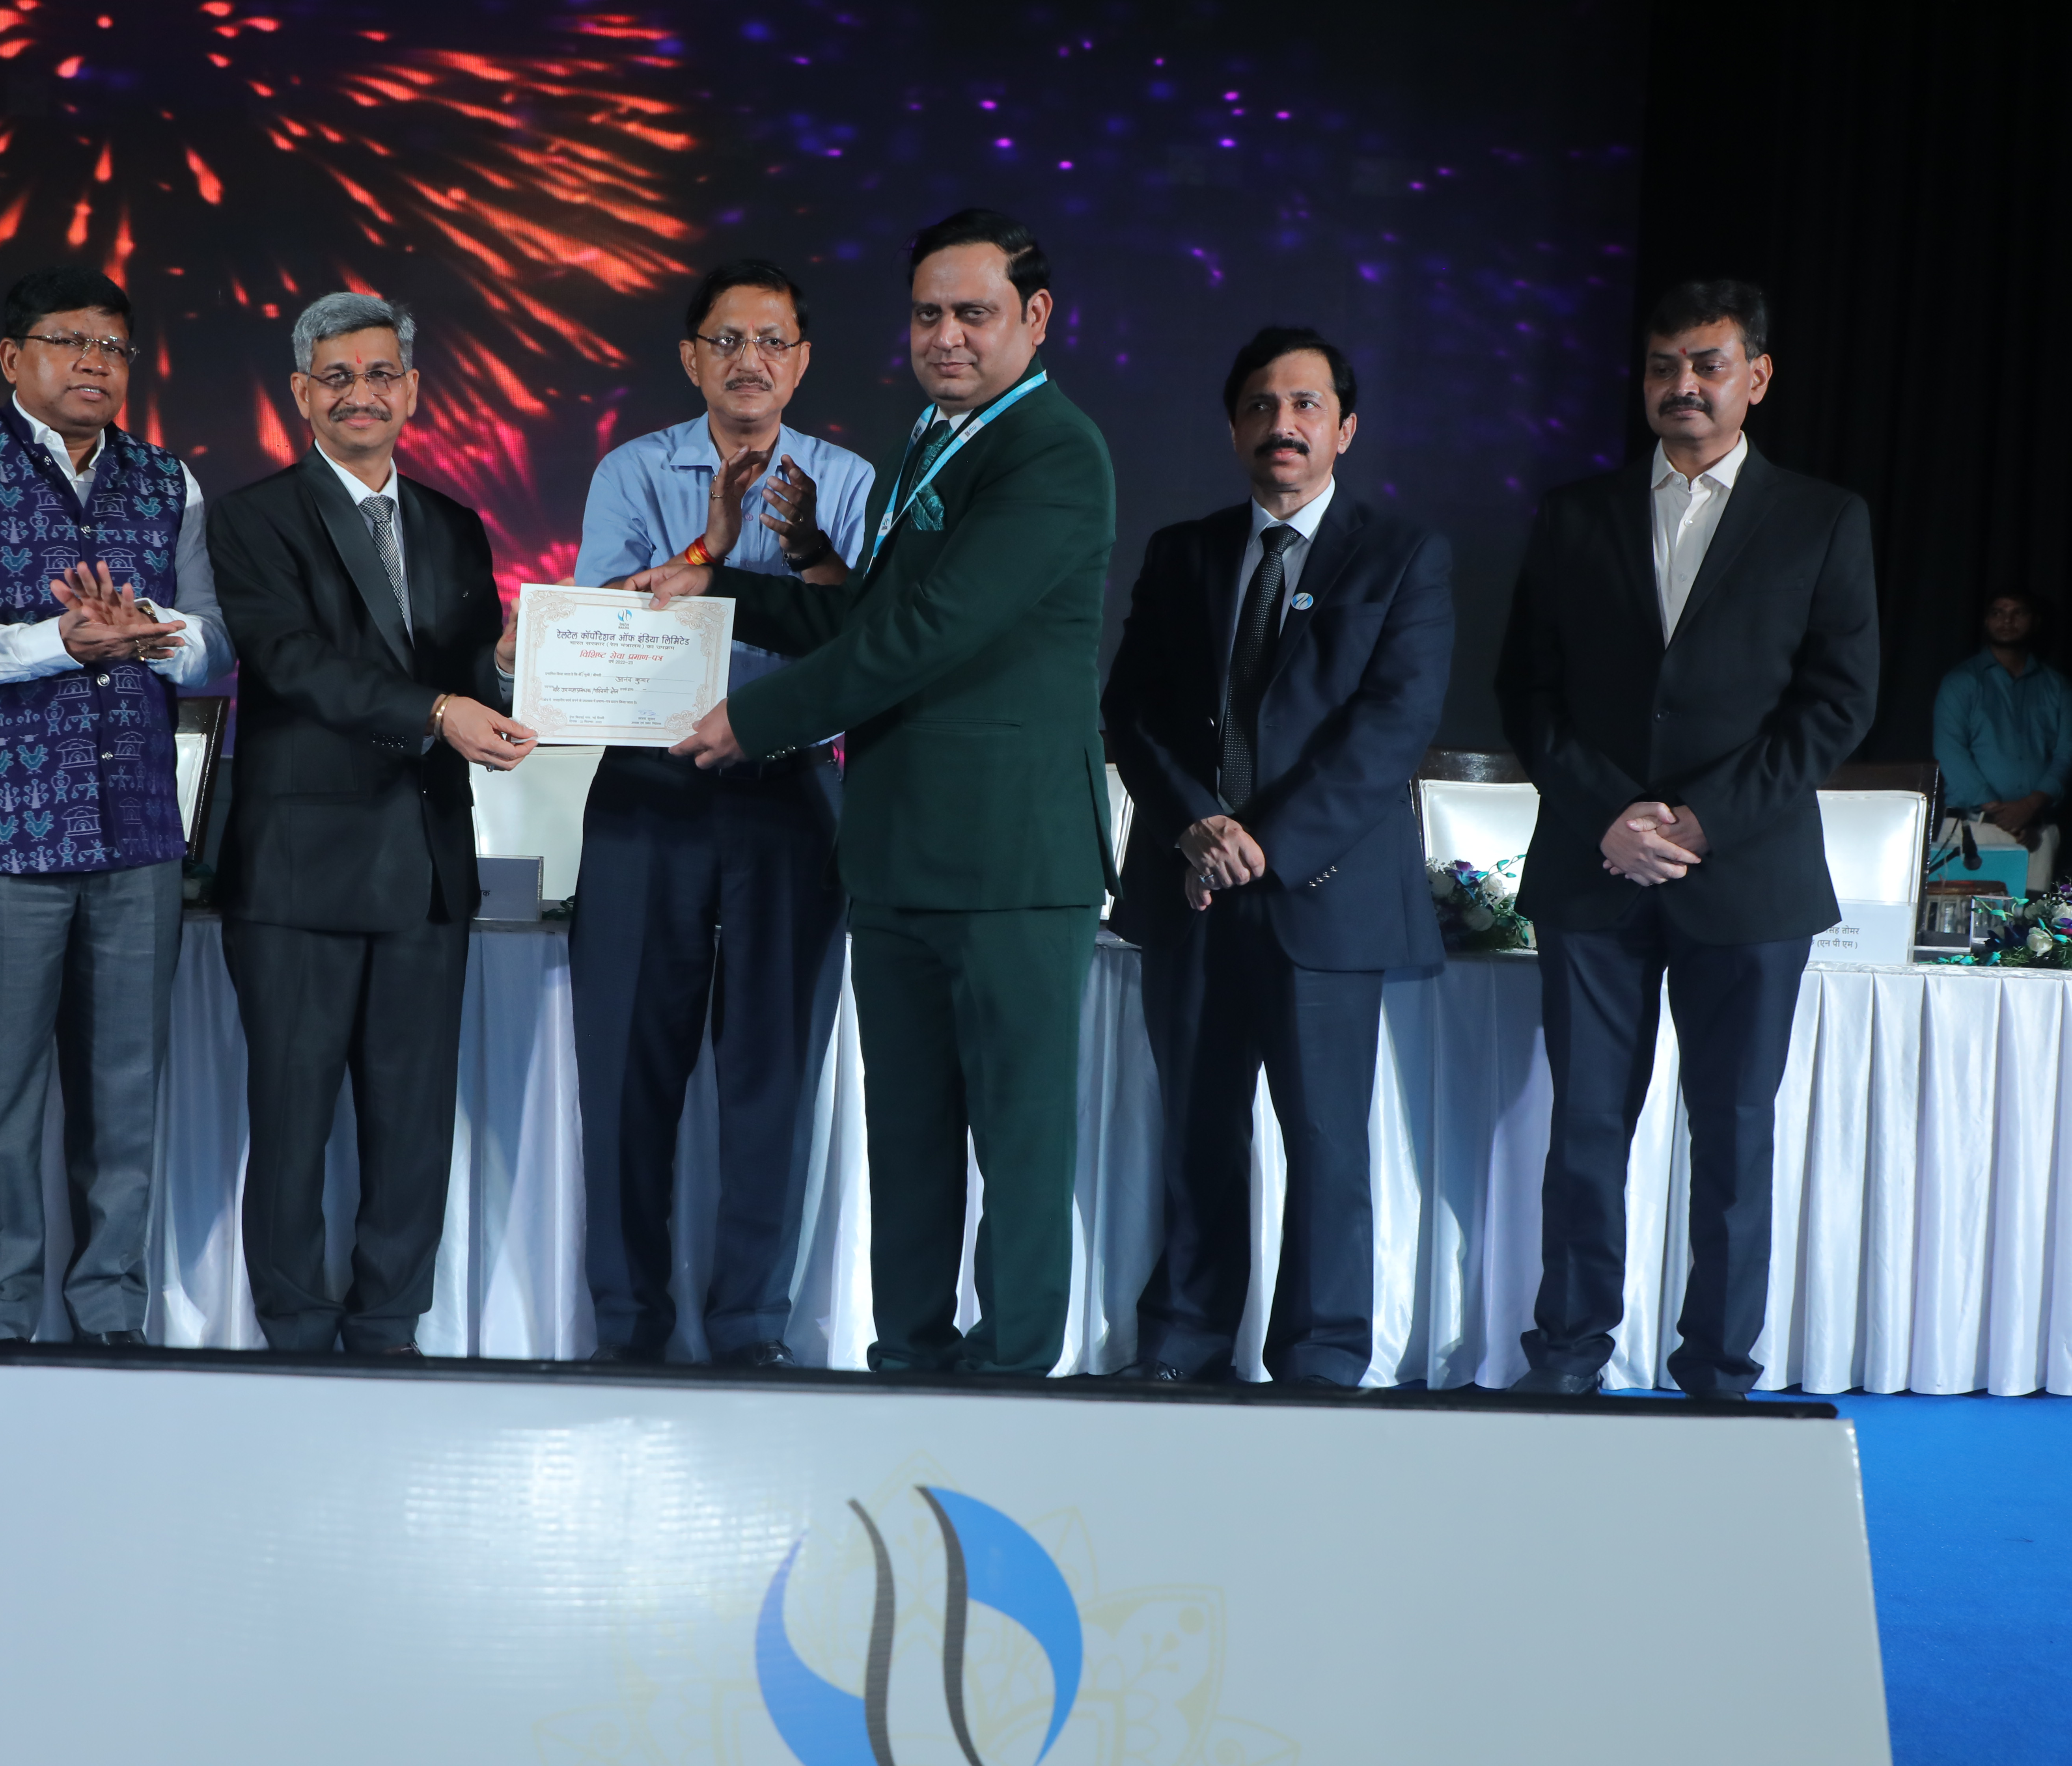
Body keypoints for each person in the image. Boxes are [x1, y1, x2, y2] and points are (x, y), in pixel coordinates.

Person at [629, 209, 1117, 1377]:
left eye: (973, 313)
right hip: (898, 856)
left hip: (1011, 863)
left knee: (1019, 1148)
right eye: (926, 314)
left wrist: (755, 719)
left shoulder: (1053, 451)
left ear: (1035, 318)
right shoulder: (929, 436)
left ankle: (1010, 1381)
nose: (945, 336)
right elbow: (867, 617)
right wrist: (718, 591)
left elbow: (927, 634)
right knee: (906, 1142)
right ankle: (908, 1363)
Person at [1498, 279, 1877, 1398]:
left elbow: (1837, 704)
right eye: (1664, 366)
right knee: (1584, 1134)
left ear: (1756, 377)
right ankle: (1569, 1356)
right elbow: (1528, 691)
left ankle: (1717, 1369)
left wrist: (1703, 822)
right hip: (1594, 866)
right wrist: (1608, 815)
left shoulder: (1823, 519)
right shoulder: (1576, 513)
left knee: (1735, 1138)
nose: (1684, 386)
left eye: (1709, 366)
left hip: (1750, 878)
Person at [0, 266, 227, 1350]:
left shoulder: (168, 480)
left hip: (138, 834)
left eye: (113, 348)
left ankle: (112, 1319)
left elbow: (214, 641)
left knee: (125, 1097)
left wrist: (155, 632)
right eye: (70, 342)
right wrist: (55, 642)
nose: (94, 364)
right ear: (12, 357)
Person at [1100, 327, 1454, 1388]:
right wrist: (1196, 825)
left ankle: (1322, 1357)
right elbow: (1132, 712)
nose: (1282, 425)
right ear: (1233, 429)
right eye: (1261, 405)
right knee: (1195, 1136)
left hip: (1326, 896)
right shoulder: (1184, 552)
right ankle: (1184, 1343)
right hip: (1193, 889)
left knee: (1327, 1146)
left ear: (1346, 429)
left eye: (1306, 406)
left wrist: (1266, 842)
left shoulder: (1402, 557)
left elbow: (1390, 730)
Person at [208, 292, 534, 1355]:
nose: (362, 394)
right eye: (338, 377)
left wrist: (509, 666)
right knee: (292, 1120)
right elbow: (294, 663)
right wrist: (440, 709)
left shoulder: (455, 523)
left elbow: (469, 669)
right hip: (300, 871)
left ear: (413, 390)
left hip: (428, 864)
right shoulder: (252, 519)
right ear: (302, 395)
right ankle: (296, 1332)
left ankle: (391, 1326)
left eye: (381, 374)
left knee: (414, 1121)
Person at [571, 259, 874, 1367]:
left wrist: (798, 553)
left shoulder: (846, 480)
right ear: (691, 357)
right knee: (626, 1074)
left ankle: (751, 1328)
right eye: (728, 341)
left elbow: (865, 640)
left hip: (789, 795)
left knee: (772, 1076)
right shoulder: (632, 470)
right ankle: (628, 1327)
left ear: (803, 361)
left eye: (773, 341)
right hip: (649, 790)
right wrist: (707, 542)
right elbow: (596, 635)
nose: (751, 360)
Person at [1933, 590, 2070, 889]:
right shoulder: (1961, 682)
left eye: (2018, 613)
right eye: (1998, 613)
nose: (2007, 621)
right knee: (1964, 917)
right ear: (1986, 621)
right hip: (1973, 830)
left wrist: (2030, 806)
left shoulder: (2057, 687)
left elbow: (2066, 754)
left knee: (2033, 918)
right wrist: (2001, 813)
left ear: (2035, 622)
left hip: (2036, 834)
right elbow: (1950, 750)